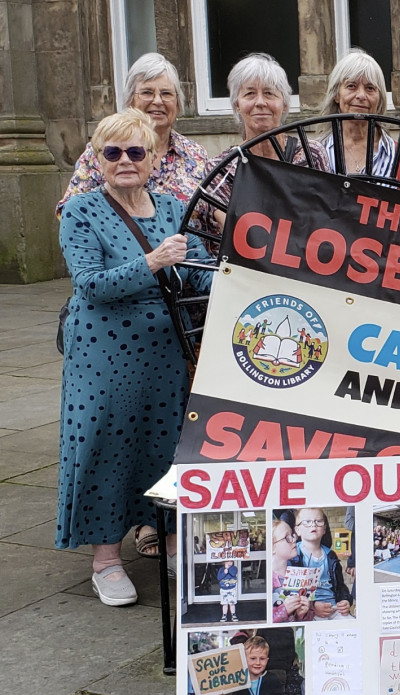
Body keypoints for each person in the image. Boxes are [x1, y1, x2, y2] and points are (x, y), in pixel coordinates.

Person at [56, 108, 213, 606]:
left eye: (136, 151)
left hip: (164, 349)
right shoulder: (81, 211)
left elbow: (200, 271)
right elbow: (90, 285)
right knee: (105, 442)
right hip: (102, 349)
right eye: (113, 152)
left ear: (152, 159)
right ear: (98, 159)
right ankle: (106, 559)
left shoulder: (170, 207)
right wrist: (151, 263)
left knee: (166, 443)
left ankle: (169, 541)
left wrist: (246, 280)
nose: (125, 160)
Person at [56, 53, 208, 220]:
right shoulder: (105, 150)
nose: (157, 101)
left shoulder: (195, 154)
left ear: (178, 104)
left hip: (187, 246)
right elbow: (69, 213)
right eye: (147, 92)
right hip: (121, 245)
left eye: (166, 94)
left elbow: (210, 215)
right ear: (130, 101)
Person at [203, 53, 329, 228]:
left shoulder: (311, 154)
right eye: (250, 94)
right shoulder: (223, 168)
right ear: (237, 105)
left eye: (269, 93)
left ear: (284, 103)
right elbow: (233, 234)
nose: (260, 102)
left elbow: (327, 218)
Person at [319, 49, 400, 186]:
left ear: (380, 98)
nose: (361, 95)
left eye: (370, 88)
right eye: (351, 86)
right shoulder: (315, 154)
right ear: (336, 95)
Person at [287, 508, 353, 619]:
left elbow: (340, 586)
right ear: (297, 530)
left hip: (334, 607)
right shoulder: (294, 556)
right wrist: (313, 606)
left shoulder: (331, 555)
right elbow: (290, 591)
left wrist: (345, 600)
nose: (313, 525)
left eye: (318, 521)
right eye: (307, 522)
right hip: (308, 610)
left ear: (324, 529)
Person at [217, 635, 289, 695]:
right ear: (244, 659)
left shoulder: (272, 680)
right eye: (253, 658)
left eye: (262, 659)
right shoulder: (240, 683)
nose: (258, 663)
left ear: (267, 660)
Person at [271, 519, 314, 622]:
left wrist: (302, 614)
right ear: (272, 547)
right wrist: (283, 610)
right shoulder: (268, 582)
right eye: (287, 538)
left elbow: (310, 617)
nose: (294, 540)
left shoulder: (300, 575)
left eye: (292, 535)